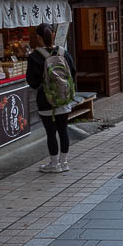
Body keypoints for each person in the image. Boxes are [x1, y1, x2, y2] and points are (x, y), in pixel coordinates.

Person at [26, 23, 76, 173]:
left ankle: (54, 164)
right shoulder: (63, 53)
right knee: (63, 130)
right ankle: (64, 162)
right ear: (53, 35)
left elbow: (33, 82)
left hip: (45, 100)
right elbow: (72, 72)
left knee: (51, 132)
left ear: (38, 38)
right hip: (64, 97)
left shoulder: (34, 57)